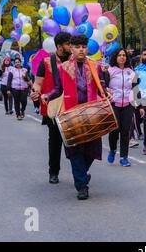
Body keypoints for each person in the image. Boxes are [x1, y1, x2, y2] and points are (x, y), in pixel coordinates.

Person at [41, 35, 106, 200]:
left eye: (84, 47)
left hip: (91, 113)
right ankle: (82, 186)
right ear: (72, 49)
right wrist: (48, 96)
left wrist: (107, 93)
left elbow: (101, 86)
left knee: (93, 150)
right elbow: (58, 88)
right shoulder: (63, 67)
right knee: (75, 150)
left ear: (87, 49)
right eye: (77, 47)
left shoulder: (94, 66)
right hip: (71, 114)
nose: (81, 50)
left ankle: (82, 173)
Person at [30, 32, 72, 184]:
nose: (71, 47)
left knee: (76, 141)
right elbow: (38, 83)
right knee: (55, 141)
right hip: (53, 108)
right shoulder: (46, 62)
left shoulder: (76, 60)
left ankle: (80, 172)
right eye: (68, 44)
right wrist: (35, 91)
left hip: (73, 107)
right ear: (60, 46)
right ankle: (53, 171)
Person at [105, 48, 144, 167]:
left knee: (125, 131)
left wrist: (140, 106)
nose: (122, 57)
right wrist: (108, 94)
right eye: (119, 55)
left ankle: (123, 157)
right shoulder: (109, 71)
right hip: (114, 104)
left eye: (124, 55)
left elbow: (136, 89)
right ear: (115, 57)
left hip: (128, 105)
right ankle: (112, 150)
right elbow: (103, 87)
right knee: (114, 130)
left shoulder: (131, 72)